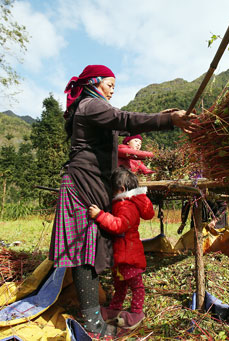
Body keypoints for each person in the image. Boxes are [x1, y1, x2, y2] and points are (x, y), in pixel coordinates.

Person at [48, 64, 196, 338]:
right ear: (94, 82)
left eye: (115, 85)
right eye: (109, 84)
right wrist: (169, 121)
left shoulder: (93, 106)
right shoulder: (90, 105)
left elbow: (120, 123)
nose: (113, 90)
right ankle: (92, 323)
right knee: (83, 250)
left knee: (90, 248)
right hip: (82, 184)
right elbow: (124, 119)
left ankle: (93, 314)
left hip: (92, 181)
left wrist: (164, 117)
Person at [88, 167, 152, 330]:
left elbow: (120, 225)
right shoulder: (123, 203)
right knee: (120, 285)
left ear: (121, 189)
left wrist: (100, 216)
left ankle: (137, 312)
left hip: (128, 254)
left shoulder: (126, 206)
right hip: (122, 253)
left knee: (136, 285)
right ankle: (115, 309)